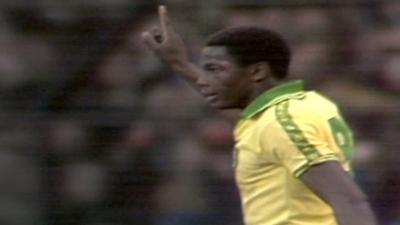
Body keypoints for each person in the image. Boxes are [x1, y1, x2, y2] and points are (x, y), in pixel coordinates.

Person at [141, 5, 378, 225]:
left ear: (257, 72)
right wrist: (180, 64)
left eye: (218, 70)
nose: (209, 80)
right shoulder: (297, 106)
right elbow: (247, 119)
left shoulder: (283, 123)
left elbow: (349, 200)